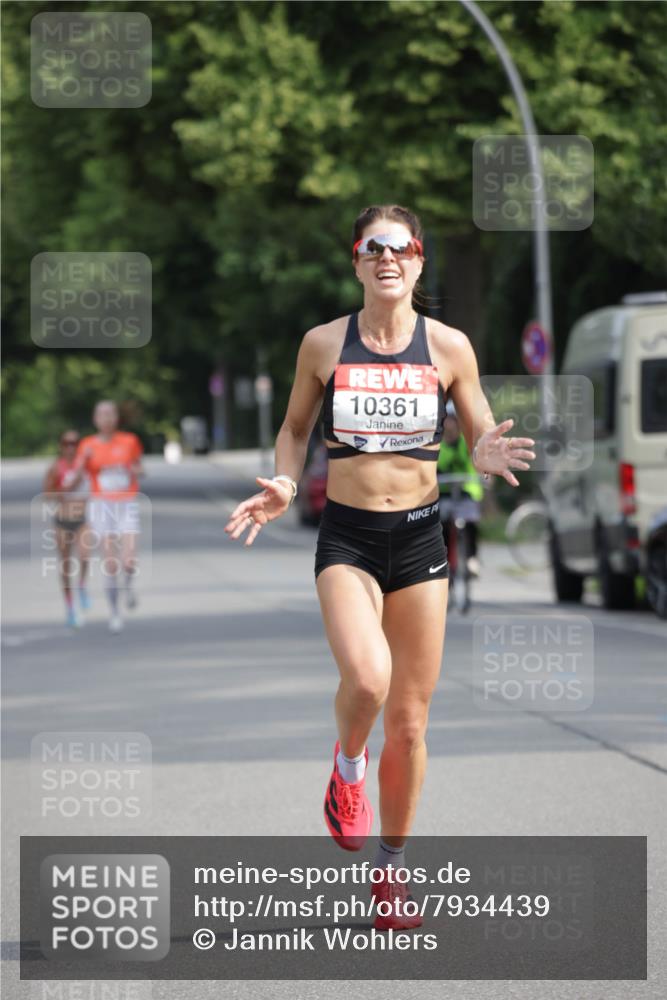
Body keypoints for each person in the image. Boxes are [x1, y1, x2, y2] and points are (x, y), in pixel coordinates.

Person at [224, 205, 535, 930]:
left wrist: (485, 448)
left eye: (401, 247)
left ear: (418, 260)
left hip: (421, 542)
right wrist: (284, 482)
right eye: (373, 247)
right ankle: (347, 768)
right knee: (368, 679)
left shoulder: (449, 347)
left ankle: (390, 872)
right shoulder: (323, 344)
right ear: (357, 261)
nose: (387, 258)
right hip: (349, 540)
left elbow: (479, 424)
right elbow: (295, 428)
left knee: (411, 722)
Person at [73, 401, 144, 633]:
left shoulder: (129, 441)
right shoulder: (87, 445)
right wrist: (82, 463)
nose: (106, 418)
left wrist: (136, 470)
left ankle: (128, 586)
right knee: (111, 563)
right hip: (101, 505)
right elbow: (75, 477)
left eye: (110, 414)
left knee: (129, 560)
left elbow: (140, 469)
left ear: (116, 417)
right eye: (102, 414)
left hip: (126, 503)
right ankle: (115, 612)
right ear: (95, 419)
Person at [43, 430, 90, 628]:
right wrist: (64, 490)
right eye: (66, 443)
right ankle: (70, 606)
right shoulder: (56, 467)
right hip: (62, 520)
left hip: (82, 519)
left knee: (85, 556)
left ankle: (82, 585)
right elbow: (47, 494)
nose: (71, 447)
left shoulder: (86, 466)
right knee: (65, 565)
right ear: (61, 446)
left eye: (75, 443)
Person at [437, 407, 484, 577]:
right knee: (442, 524)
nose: (449, 425)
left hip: (467, 491)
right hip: (444, 493)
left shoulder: (467, 443)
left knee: (470, 522)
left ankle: (472, 557)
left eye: (452, 421)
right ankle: (443, 559)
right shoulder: (438, 446)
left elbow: (478, 461)